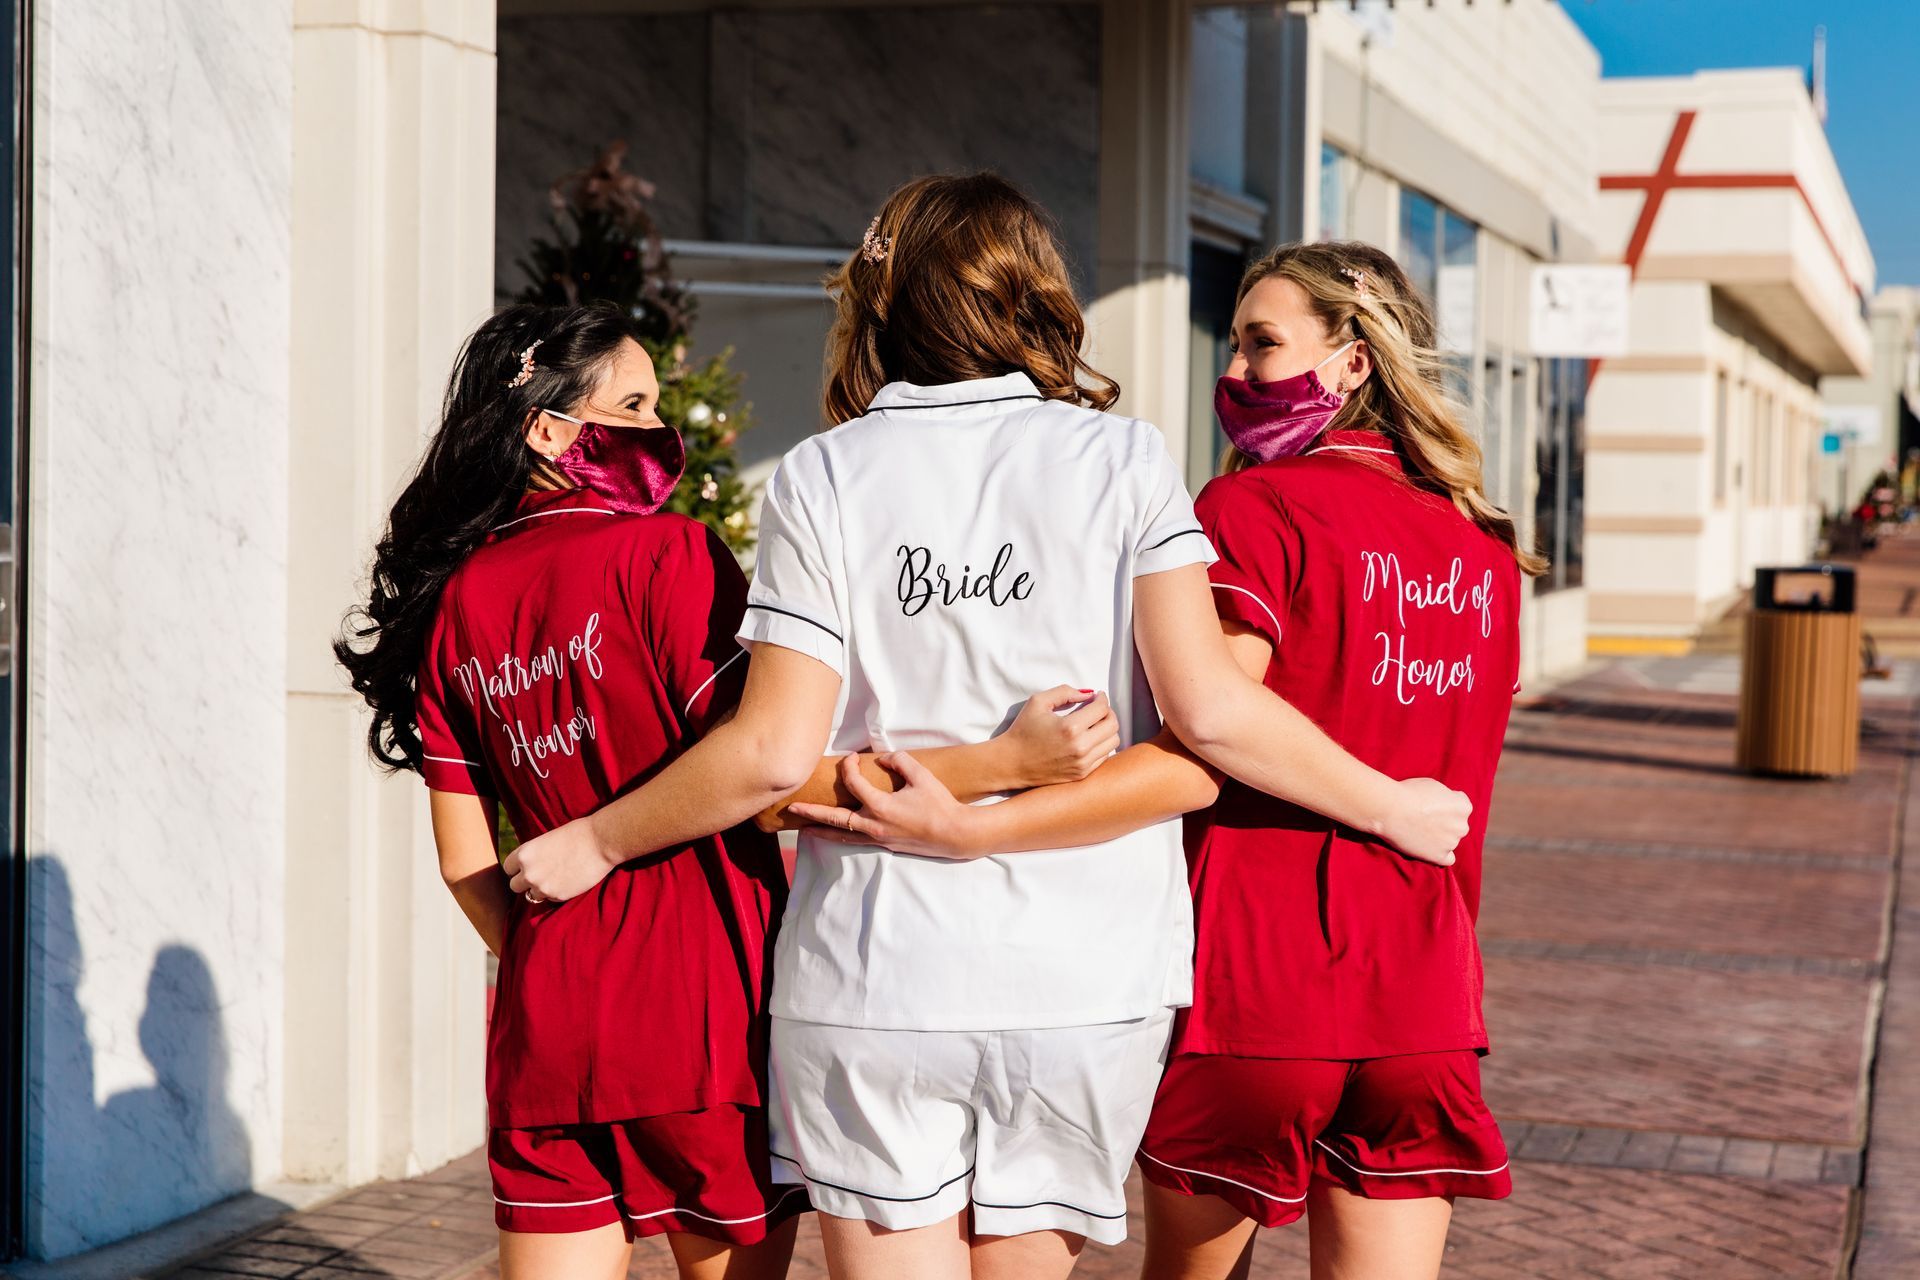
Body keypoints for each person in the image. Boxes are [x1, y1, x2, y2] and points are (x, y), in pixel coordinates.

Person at [503, 178, 1470, 1280]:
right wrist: (1392, 802)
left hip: (876, 974)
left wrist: (597, 838)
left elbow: (770, 759)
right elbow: (1205, 727)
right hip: (1087, 979)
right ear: (1033, 292)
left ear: (884, 302)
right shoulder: (1126, 459)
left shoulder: (824, 473)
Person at [797, 240, 1536, 1280]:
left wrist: (983, 814)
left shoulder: (1255, 510)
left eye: (1262, 344)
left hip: (1259, 989)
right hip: (1428, 997)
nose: (1235, 371)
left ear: (1354, 360)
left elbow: (1207, 731)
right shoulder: (1483, 549)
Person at [335, 303, 815, 1280]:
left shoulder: (455, 600)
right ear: (547, 429)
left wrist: (556, 954)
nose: (657, 427)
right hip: (708, 1011)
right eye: (633, 403)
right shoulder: (670, 553)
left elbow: (464, 858)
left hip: (546, 1019)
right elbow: (756, 761)